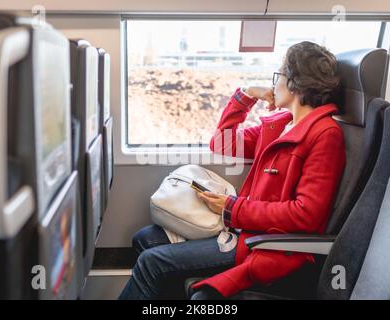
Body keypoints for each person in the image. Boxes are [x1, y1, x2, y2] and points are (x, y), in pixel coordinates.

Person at [118, 41, 346, 300]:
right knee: (146, 238)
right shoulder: (279, 126)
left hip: (266, 245)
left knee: (151, 263)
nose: (274, 83)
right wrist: (246, 94)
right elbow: (222, 142)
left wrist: (232, 208)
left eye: (279, 75)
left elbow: (306, 215)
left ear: (295, 83)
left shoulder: (325, 135)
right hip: (243, 229)